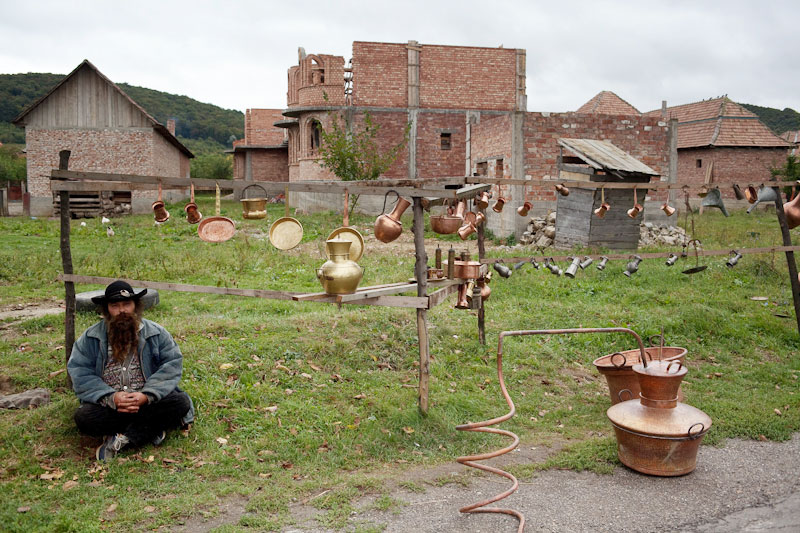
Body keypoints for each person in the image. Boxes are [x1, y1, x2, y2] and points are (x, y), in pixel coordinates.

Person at [67, 280, 194, 461]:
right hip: (111, 406)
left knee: (180, 402)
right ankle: (151, 430)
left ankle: (123, 439)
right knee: (84, 417)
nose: (122, 310)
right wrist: (112, 397)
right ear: (106, 309)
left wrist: (147, 395)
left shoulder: (156, 333)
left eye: (127, 304)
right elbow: (80, 372)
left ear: (135, 306)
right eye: (115, 306)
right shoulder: (90, 338)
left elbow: (171, 365)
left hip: (147, 404)